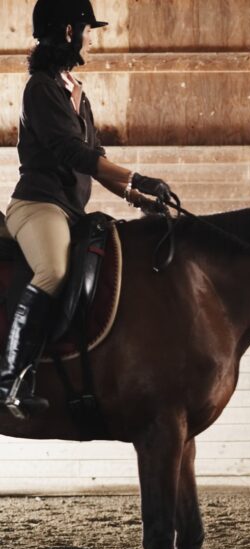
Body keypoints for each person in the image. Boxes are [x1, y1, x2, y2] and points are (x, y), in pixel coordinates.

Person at [1, 0, 174, 417]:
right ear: (67, 32)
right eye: (86, 30)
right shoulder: (40, 89)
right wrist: (137, 177)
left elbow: (95, 157)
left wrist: (139, 199)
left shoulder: (76, 92)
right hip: (38, 206)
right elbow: (72, 153)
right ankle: (9, 379)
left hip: (70, 210)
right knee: (53, 271)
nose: (91, 38)